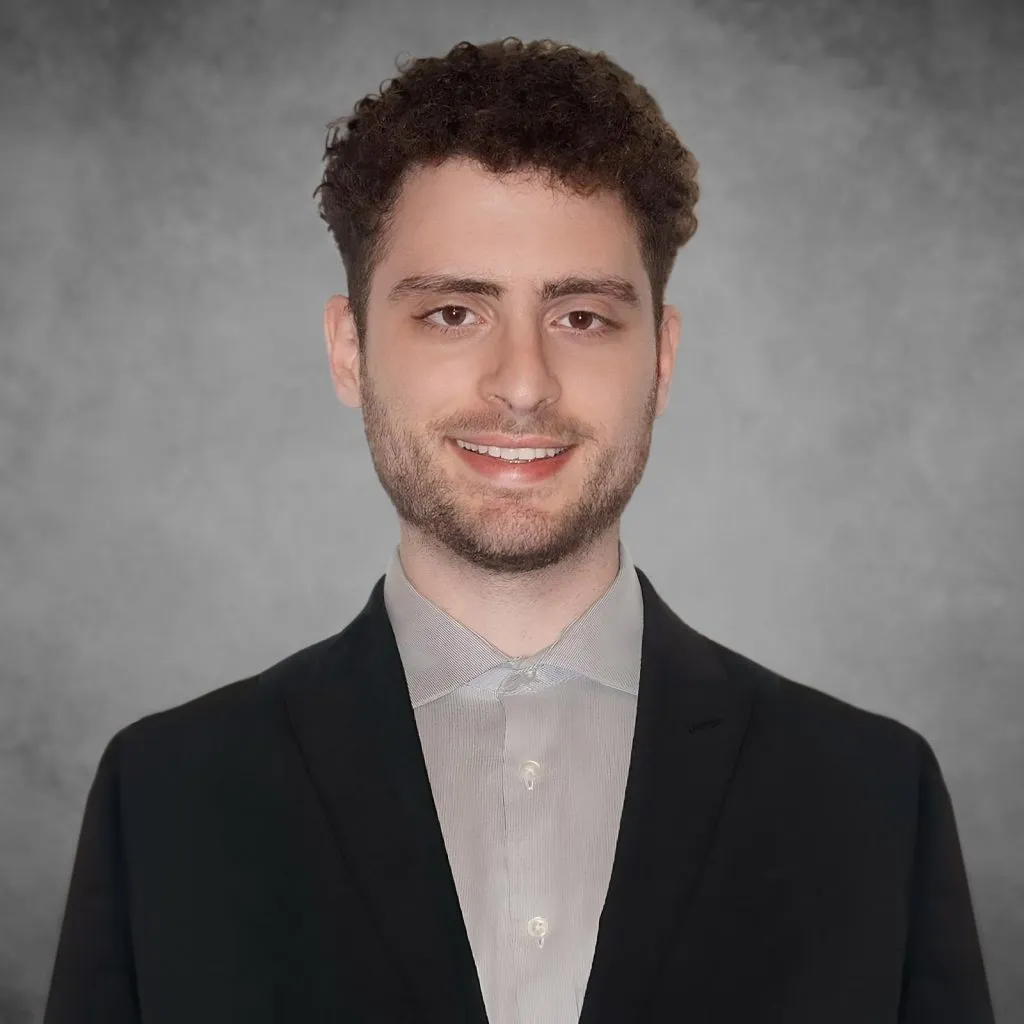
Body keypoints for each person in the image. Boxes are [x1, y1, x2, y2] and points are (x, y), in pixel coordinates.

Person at [43, 37, 994, 1024]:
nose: (523, 383)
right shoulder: (160, 801)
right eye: (453, 312)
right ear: (348, 350)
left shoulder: (875, 802)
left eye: (581, 317)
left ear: (661, 361)